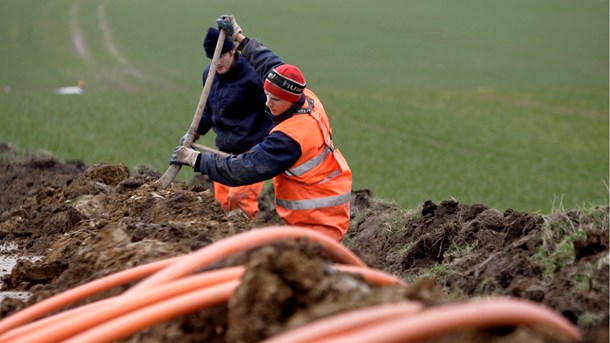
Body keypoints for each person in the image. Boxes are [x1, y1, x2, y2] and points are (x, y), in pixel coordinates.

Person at [171, 15, 352, 241]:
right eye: (267, 96)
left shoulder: (288, 138)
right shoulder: (305, 96)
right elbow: (271, 65)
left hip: (317, 219)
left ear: (290, 100)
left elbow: (244, 169)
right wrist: (240, 38)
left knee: (305, 266)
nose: (267, 103)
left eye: (275, 100)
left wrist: (196, 160)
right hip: (317, 203)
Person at [186, 27, 272, 219]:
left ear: (233, 50)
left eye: (221, 56)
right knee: (222, 205)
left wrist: (273, 142)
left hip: (253, 152)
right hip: (224, 151)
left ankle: (249, 243)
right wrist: (195, 133)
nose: (217, 63)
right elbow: (207, 109)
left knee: (240, 199)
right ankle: (226, 244)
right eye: (212, 58)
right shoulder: (209, 75)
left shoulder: (252, 76)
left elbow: (272, 109)